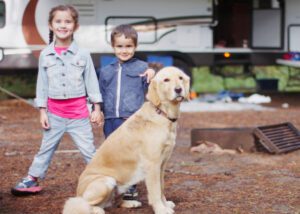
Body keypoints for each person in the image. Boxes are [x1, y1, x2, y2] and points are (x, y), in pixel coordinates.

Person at [11, 5, 103, 196]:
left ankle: (103, 179)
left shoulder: (83, 54)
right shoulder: (46, 54)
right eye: (58, 21)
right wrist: (42, 111)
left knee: (89, 150)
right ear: (51, 26)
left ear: (75, 26)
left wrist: (96, 108)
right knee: (46, 149)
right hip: (54, 114)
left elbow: (92, 82)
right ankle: (32, 179)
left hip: (79, 114)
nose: (63, 25)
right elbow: (42, 85)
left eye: (68, 21)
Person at [98, 24, 155, 205]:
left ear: (135, 46)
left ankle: (130, 188)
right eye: (120, 46)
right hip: (111, 120)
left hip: (132, 120)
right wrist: (97, 110)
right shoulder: (106, 71)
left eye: (129, 46)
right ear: (113, 47)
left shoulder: (142, 67)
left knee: (132, 154)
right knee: (113, 154)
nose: (124, 50)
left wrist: (153, 73)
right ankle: (114, 185)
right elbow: (99, 93)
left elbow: (153, 88)